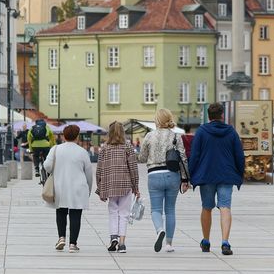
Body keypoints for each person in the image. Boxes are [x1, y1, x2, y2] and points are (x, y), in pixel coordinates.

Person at [189, 102, 245, 256]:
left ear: (209, 116)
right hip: (226, 175)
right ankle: (225, 242)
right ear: (222, 115)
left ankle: (206, 241)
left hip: (206, 175)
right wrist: (240, 174)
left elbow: (194, 155)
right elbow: (239, 155)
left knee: (207, 207)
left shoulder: (201, 131)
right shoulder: (231, 132)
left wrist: (190, 175)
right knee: (225, 207)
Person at [138, 108, 189, 253]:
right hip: (172, 175)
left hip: (154, 175)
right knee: (170, 210)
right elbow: (183, 158)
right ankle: (169, 244)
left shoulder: (149, 136)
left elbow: (141, 158)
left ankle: (160, 230)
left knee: (156, 210)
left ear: (157, 120)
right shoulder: (176, 136)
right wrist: (185, 179)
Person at [43, 124, 93, 253]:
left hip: (60, 185)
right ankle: (73, 244)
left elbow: (47, 166)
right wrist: (88, 189)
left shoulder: (55, 149)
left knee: (61, 212)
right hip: (78, 187)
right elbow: (88, 173)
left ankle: (61, 238)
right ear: (77, 136)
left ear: (64, 136)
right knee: (75, 215)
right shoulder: (82, 152)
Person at [96, 121, 139, 253]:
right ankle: (122, 243)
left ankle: (113, 236)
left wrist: (100, 187)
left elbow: (99, 169)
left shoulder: (104, 147)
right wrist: (136, 186)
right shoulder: (127, 146)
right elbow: (133, 167)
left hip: (110, 185)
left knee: (113, 212)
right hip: (125, 184)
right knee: (124, 214)